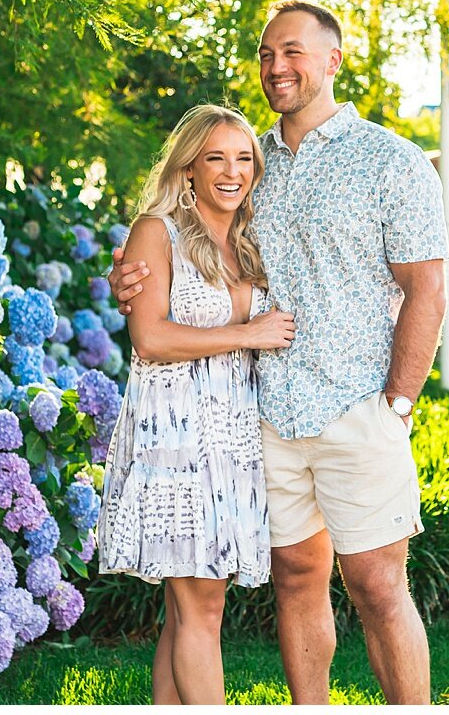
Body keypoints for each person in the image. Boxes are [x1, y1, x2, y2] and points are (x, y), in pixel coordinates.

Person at [111, 0, 447, 705]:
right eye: (266, 54)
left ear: (333, 60)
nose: (277, 67)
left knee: (379, 585)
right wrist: (132, 276)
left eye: (293, 52)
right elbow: (188, 241)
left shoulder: (391, 160)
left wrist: (399, 405)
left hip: (360, 405)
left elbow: (427, 290)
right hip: (263, 412)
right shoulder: (251, 161)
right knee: (297, 576)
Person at [96, 104, 298, 705]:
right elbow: (150, 338)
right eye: (216, 158)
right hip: (175, 432)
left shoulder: (250, 236)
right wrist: (248, 333)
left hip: (231, 434)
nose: (232, 172)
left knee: (190, 605)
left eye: (243, 159)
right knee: (202, 605)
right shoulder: (156, 231)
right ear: (188, 169)